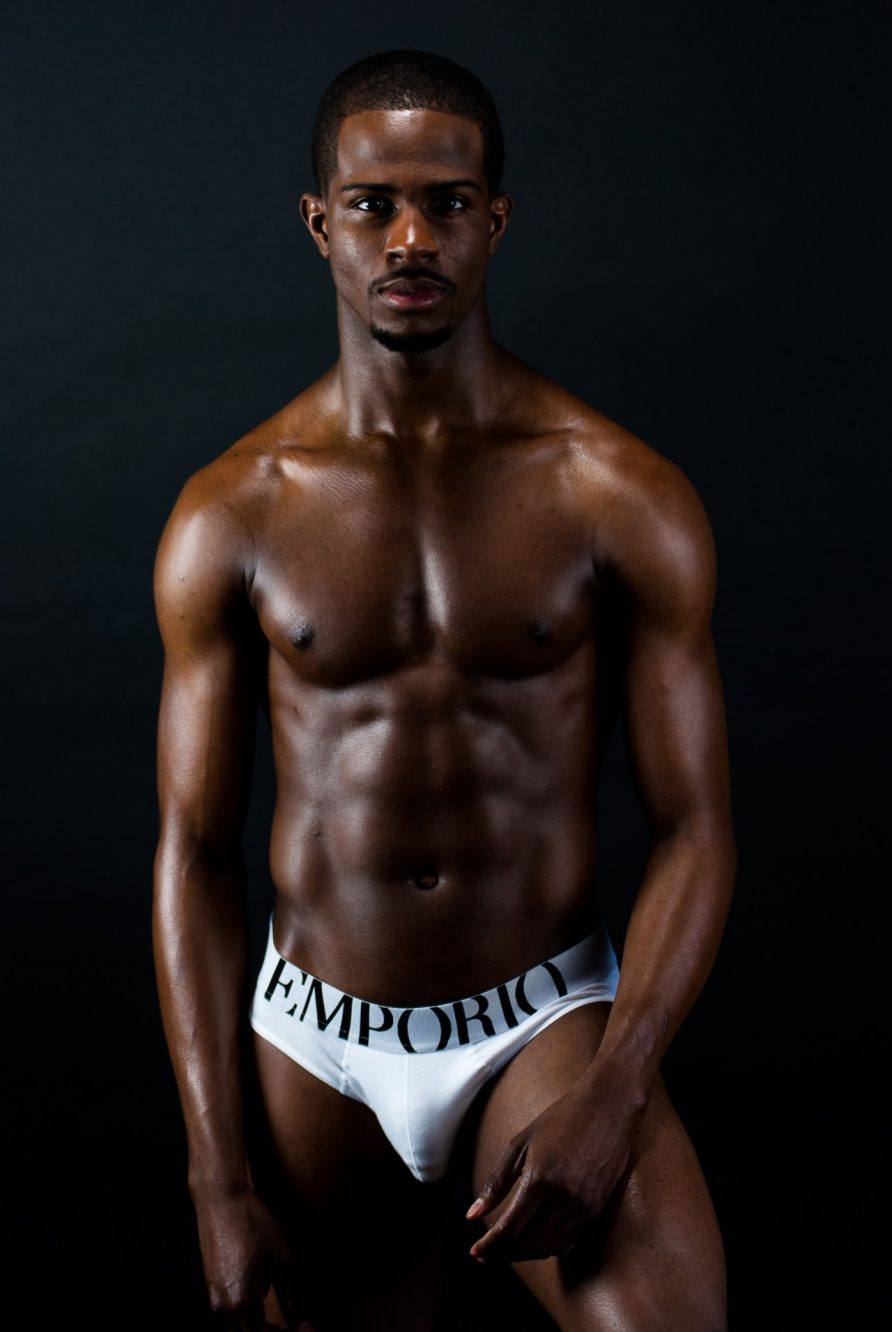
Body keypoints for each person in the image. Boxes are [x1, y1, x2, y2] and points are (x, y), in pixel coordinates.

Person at [152, 48, 736, 1332]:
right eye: (373, 204)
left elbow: (696, 826)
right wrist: (215, 1176)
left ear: (495, 219)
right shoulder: (232, 512)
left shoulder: (615, 492)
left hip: (541, 1025)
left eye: (447, 203)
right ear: (321, 224)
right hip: (313, 1046)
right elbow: (192, 852)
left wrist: (618, 1085)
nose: (410, 237)